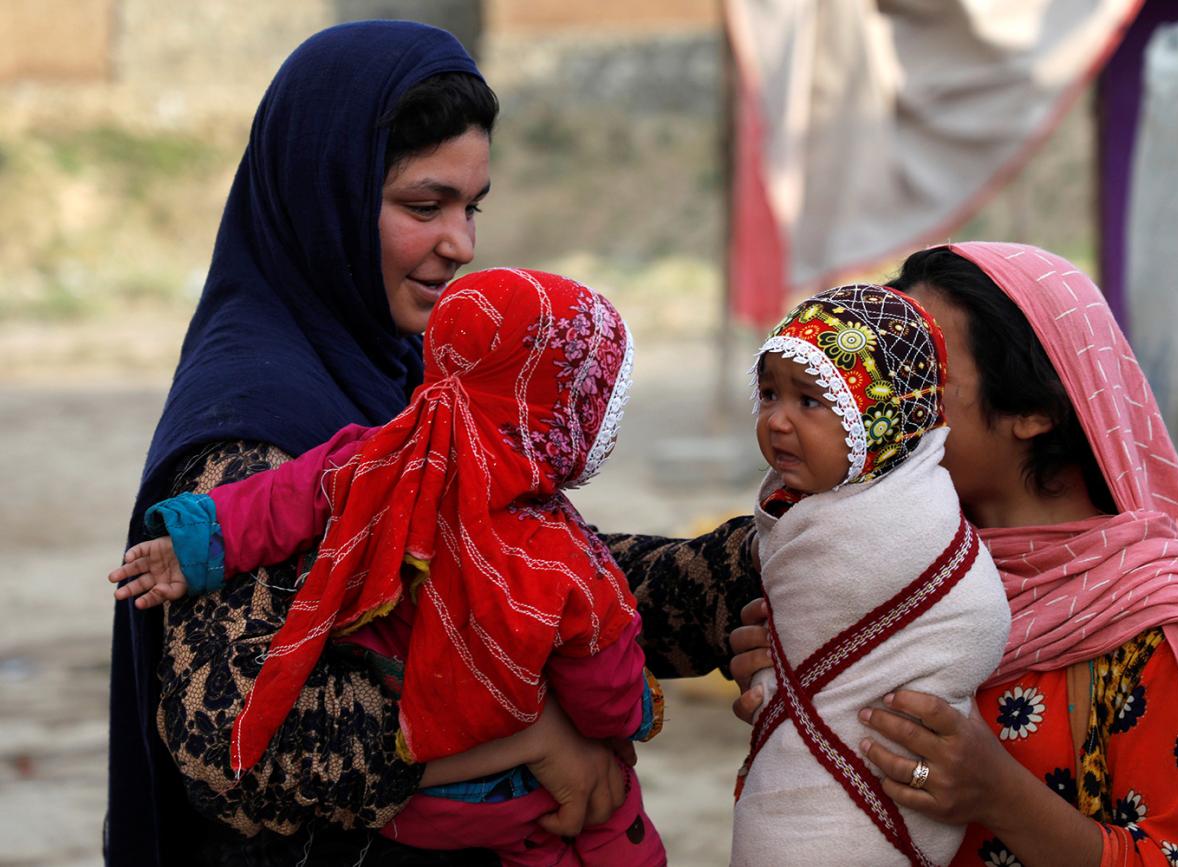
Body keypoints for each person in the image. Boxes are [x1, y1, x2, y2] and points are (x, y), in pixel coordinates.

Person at [106, 22, 648, 867]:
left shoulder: (401, 375)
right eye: (424, 206)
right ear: (327, 196)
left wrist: (755, 578)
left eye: (473, 208)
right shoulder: (256, 427)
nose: (460, 245)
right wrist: (531, 735)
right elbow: (236, 744)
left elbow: (497, 565)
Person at [729, 242, 1178, 866]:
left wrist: (999, 796)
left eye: (922, 378)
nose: (880, 406)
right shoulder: (879, 564)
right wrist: (795, 675)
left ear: (1034, 410)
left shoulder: (1153, 624)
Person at [109, 268, 666, 866]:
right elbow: (602, 686)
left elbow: (282, 499)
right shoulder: (560, 555)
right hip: (509, 794)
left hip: (411, 806)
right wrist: (636, 712)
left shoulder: (380, 456)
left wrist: (195, 545)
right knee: (613, 820)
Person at [730, 283, 1010, 866]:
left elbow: (968, 622)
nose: (777, 420)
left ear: (882, 419)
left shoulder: (910, 519)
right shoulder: (806, 508)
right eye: (768, 393)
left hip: (849, 815)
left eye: (810, 400)